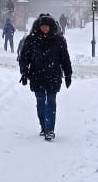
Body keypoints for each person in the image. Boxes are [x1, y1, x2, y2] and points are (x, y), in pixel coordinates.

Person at [17, 13, 72, 141]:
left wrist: (68, 74)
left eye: (47, 26)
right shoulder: (32, 40)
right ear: (39, 26)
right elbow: (24, 58)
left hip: (53, 76)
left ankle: (50, 130)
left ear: (51, 26)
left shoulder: (58, 40)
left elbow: (65, 59)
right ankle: (43, 126)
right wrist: (24, 73)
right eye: (43, 26)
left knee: (51, 102)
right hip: (37, 76)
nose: (45, 29)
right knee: (41, 102)